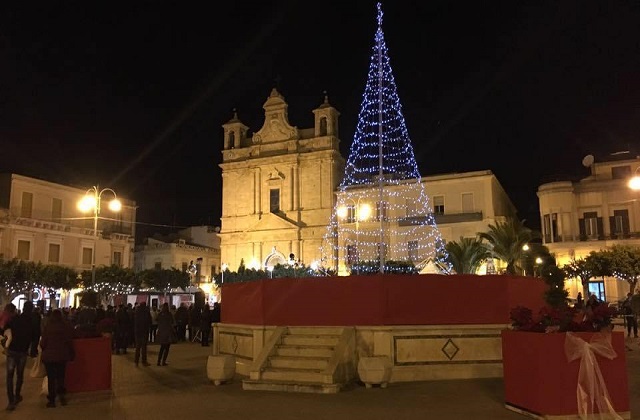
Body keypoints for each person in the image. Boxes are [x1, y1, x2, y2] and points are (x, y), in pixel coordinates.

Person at [3, 301, 37, 411]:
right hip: (22, 351)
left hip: (12, 350)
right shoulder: (32, 321)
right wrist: (32, 349)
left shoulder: (15, 319)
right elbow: (34, 337)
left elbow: (5, 329)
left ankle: (11, 401)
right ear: (31, 309)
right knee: (20, 375)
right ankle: (17, 395)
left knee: (10, 376)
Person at [40, 309, 74, 408]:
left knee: (51, 378)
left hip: (49, 357)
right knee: (61, 377)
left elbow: (43, 343)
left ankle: (52, 400)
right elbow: (69, 341)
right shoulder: (65, 327)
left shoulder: (48, 327)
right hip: (62, 355)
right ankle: (62, 397)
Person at [133, 302, 152, 366]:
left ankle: (136, 361)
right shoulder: (146, 312)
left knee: (138, 347)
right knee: (144, 347)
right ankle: (144, 361)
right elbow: (149, 321)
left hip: (138, 331)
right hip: (144, 331)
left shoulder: (136, 312)